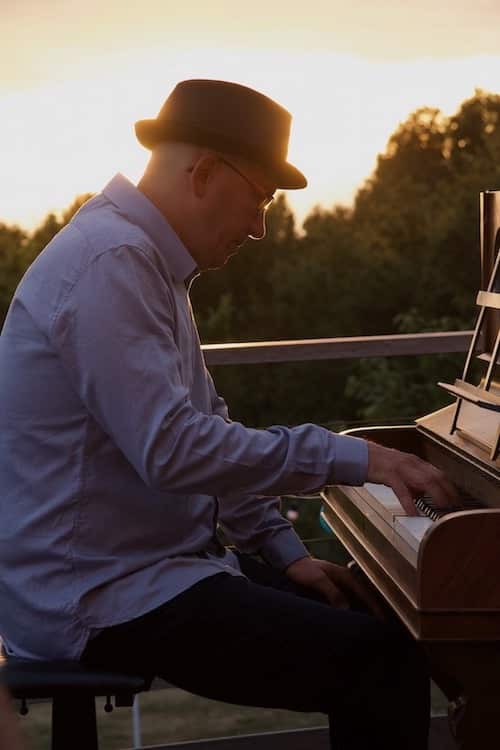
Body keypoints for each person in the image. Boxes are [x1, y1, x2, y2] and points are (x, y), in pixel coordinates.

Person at [0, 79, 457, 749]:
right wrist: (361, 459)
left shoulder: (149, 264)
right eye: (261, 197)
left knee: (386, 626)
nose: (260, 227)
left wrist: (283, 549)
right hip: (96, 594)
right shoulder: (113, 262)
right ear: (206, 172)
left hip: (147, 570)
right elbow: (174, 450)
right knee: (377, 663)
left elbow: (210, 427)